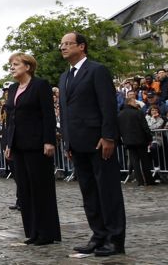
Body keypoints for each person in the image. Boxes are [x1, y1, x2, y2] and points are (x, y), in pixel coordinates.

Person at [58, 32, 125, 257]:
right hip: (77, 143)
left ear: (82, 46)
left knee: (108, 191)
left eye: (68, 44)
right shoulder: (64, 77)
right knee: (89, 193)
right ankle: (98, 235)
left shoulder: (97, 70)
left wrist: (108, 136)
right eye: (62, 45)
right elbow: (66, 113)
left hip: (98, 142)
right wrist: (67, 141)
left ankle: (115, 239)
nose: (63, 48)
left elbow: (107, 106)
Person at [3, 52, 61, 245]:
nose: (11, 67)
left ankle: (47, 232)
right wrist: (9, 144)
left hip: (37, 145)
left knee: (40, 188)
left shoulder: (40, 85)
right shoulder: (12, 89)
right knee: (25, 190)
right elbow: (10, 119)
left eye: (15, 64)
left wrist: (49, 141)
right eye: (10, 64)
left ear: (27, 66)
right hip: (18, 146)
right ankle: (32, 232)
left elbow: (48, 115)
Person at [117, 97, 156, 186]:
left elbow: (118, 130)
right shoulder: (138, 112)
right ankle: (149, 180)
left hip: (128, 142)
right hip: (140, 141)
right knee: (144, 161)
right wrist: (149, 138)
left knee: (135, 162)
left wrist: (120, 141)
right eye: (134, 101)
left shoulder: (119, 115)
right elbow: (145, 127)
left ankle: (140, 181)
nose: (136, 103)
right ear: (129, 103)